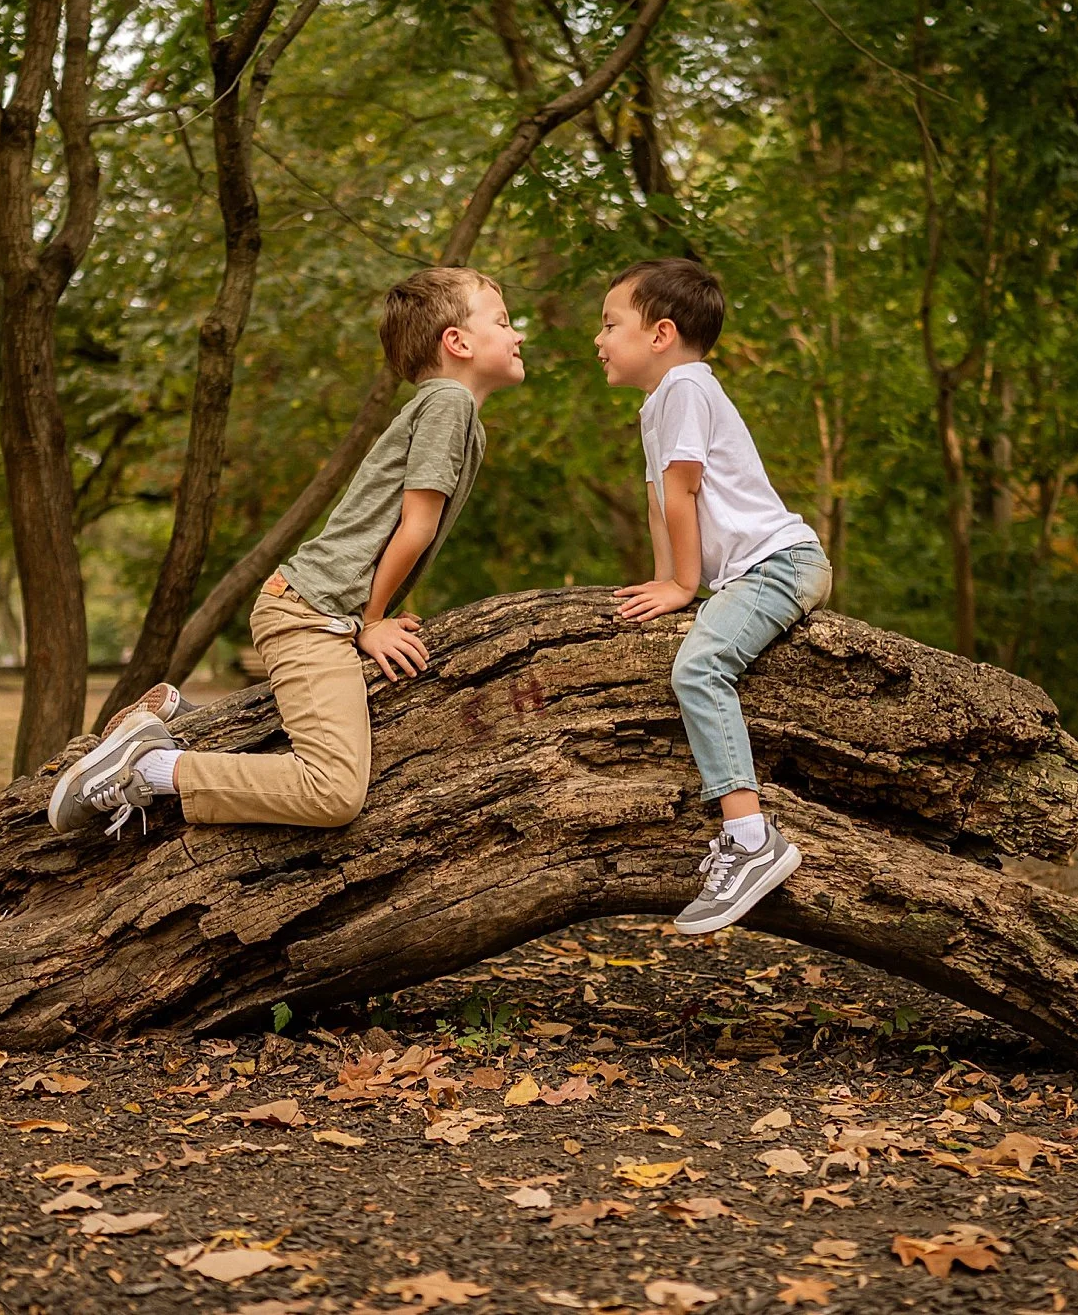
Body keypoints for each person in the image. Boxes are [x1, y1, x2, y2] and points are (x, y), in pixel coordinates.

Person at [49, 266, 524, 837]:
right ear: (458, 342)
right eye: (503, 321)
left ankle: (185, 723)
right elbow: (415, 527)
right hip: (311, 614)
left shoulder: (452, 410)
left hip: (318, 608)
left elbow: (395, 527)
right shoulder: (449, 402)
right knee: (333, 792)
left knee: (325, 749)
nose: (517, 334)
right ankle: (149, 768)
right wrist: (371, 622)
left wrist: (372, 615)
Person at [598, 257, 834, 934]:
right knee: (695, 653)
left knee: (699, 667)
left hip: (780, 563)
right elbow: (657, 503)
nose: (599, 338)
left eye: (611, 323)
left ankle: (752, 839)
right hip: (761, 570)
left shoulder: (685, 388)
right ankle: (745, 837)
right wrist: (664, 578)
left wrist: (681, 584)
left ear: (661, 333)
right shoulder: (662, 401)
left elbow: (683, 490)